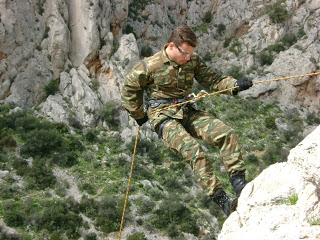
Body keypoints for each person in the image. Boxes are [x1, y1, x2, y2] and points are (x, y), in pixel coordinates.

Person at [121, 25, 252, 216]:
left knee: (226, 134)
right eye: (185, 53)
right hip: (163, 117)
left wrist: (234, 85)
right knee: (194, 152)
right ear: (172, 46)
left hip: (186, 109)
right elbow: (129, 90)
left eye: (191, 53)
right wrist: (139, 114)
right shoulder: (149, 66)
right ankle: (223, 200)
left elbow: (212, 80)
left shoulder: (192, 61)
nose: (188, 57)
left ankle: (241, 187)